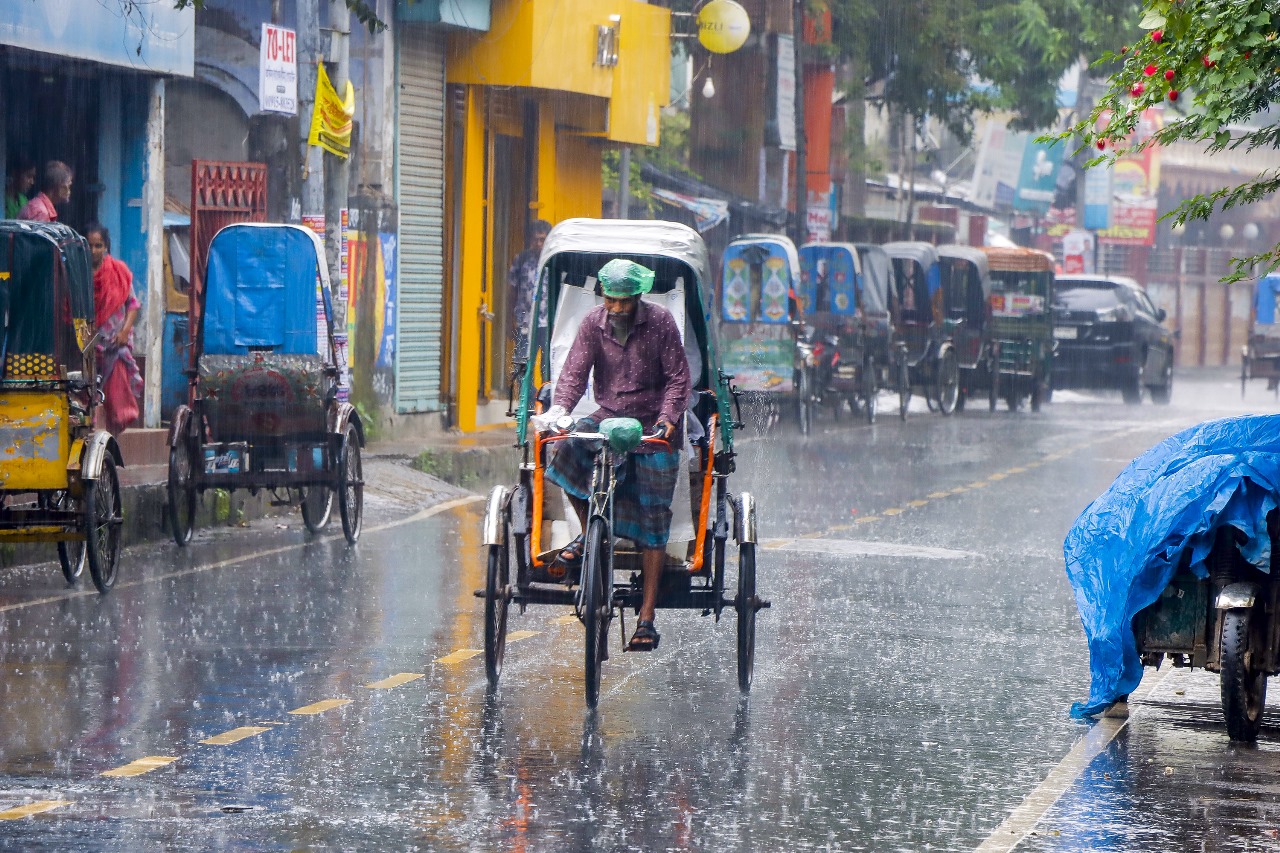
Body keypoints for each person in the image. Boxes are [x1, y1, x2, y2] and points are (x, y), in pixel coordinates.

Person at [536, 259, 691, 652]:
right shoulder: (592, 322)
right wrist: (560, 411)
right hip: (606, 417)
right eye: (612, 301)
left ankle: (647, 616)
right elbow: (573, 373)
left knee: (653, 521)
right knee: (564, 452)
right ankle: (592, 533)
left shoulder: (660, 323)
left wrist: (667, 420)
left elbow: (678, 378)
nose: (618, 309)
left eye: (625, 302)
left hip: (652, 426)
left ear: (638, 297)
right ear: (603, 296)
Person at [86, 223, 142, 435]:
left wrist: (124, 331)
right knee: (85, 399)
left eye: (98, 245)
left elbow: (133, 304)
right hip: (89, 346)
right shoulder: (79, 274)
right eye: (89, 246)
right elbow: (71, 308)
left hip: (115, 345)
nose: (93, 251)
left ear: (106, 246)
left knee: (117, 403)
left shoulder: (118, 271)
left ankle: (112, 441)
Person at [507, 219, 551, 368]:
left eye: (542, 240)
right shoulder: (521, 259)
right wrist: (509, 320)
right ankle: (529, 392)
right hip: (524, 322)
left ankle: (545, 392)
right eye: (535, 239)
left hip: (548, 324)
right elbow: (512, 290)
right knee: (522, 366)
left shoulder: (554, 261)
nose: (539, 244)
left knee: (548, 368)